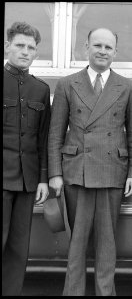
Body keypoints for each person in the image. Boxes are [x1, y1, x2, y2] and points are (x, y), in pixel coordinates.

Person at [48, 28, 132, 296]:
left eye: (108, 47)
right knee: (76, 242)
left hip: (113, 171)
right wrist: (55, 173)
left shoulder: (127, 86)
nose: (102, 51)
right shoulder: (67, 84)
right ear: (85, 47)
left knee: (107, 242)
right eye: (97, 45)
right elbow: (56, 132)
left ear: (116, 52)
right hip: (77, 171)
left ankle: (105, 292)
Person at [2, 22, 51, 295]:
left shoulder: (40, 89)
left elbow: (43, 138)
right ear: (7, 46)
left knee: (19, 248)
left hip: (27, 181)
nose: (25, 52)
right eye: (20, 45)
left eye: (31, 48)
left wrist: (43, 178)